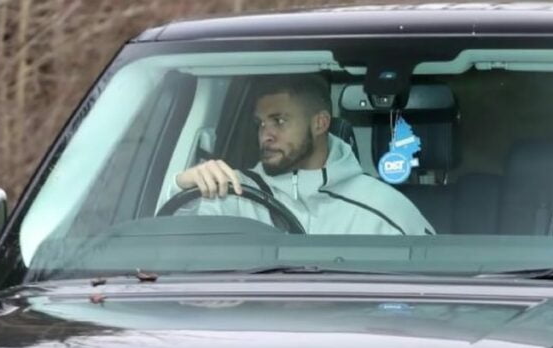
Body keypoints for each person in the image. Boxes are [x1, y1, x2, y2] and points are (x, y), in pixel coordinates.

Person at [172, 75, 434, 235]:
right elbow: (171, 250)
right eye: (260, 123)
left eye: (279, 121)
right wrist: (180, 187)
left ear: (320, 124)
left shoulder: (383, 208)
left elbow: (427, 291)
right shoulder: (233, 192)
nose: (266, 134)